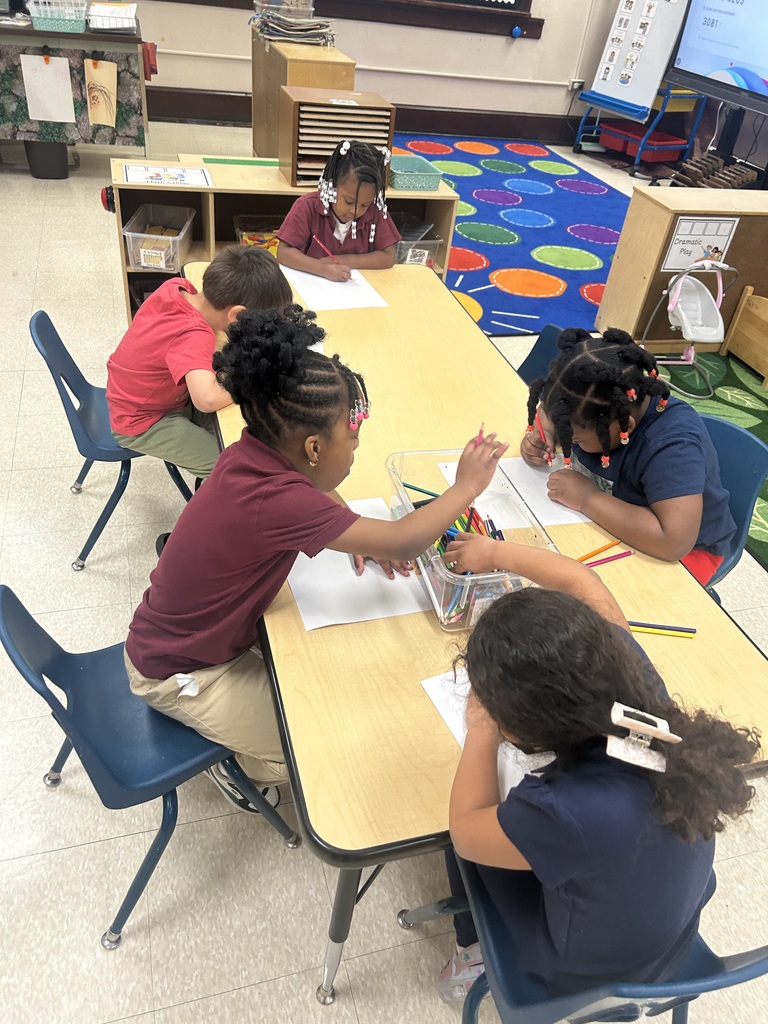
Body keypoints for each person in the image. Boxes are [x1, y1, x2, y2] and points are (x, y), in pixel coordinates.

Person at [124, 304, 509, 811]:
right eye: (352, 437)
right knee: (306, 753)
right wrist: (466, 487)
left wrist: (359, 533)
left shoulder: (252, 453)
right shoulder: (277, 500)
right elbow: (403, 541)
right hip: (176, 671)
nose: (356, 446)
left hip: (199, 636)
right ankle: (234, 766)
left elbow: (319, 497)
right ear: (311, 448)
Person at [435, 531, 759, 1004]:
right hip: (673, 931)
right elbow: (583, 582)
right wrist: (495, 552)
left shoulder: (563, 810)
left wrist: (480, 728)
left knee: (453, 841)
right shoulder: (632, 684)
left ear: (526, 725)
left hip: (591, 976)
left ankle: (472, 955)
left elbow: (466, 831)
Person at [520, 327, 735, 585]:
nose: (566, 442)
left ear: (625, 427)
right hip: (611, 518)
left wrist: (588, 499)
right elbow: (549, 411)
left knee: (610, 596)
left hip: (687, 549)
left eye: (575, 440)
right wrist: (543, 432)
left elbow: (673, 541)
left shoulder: (673, 447)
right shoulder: (587, 400)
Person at [106, 245, 292, 480]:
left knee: (244, 432)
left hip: (156, 398)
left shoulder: (178, 287)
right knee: (231, 467)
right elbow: (207, 399)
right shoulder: (193, 334)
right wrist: (258, 379)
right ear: (237, 315)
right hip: (141, 421)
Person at [276, 139, 401, 282]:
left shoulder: (375, 211)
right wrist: (322, 269)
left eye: (364, 205)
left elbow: (388, 257)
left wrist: (344, 260)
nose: (355, 211)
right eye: (349, 202)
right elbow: (284, 252)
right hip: (310, 286)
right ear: (333, 184)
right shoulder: (307, 207)